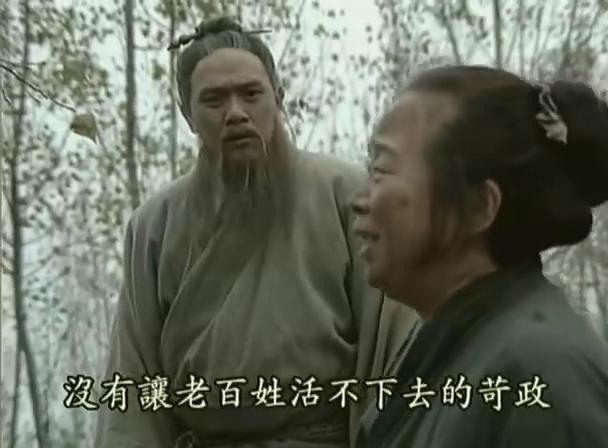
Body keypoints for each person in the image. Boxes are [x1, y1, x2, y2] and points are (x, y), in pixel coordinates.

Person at [94, 17, 417, 448]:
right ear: (188, 114)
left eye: (251, 94)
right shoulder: (155, 224)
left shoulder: (347, 193)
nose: (235, 113)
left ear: (277, 97)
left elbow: (393, 349)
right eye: (213, 100)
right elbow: (133, 381)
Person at [351, 65, 608, 447]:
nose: (359, 201)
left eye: (382, 171)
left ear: (478, 206)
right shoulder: (454, 338)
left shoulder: (541, 370)